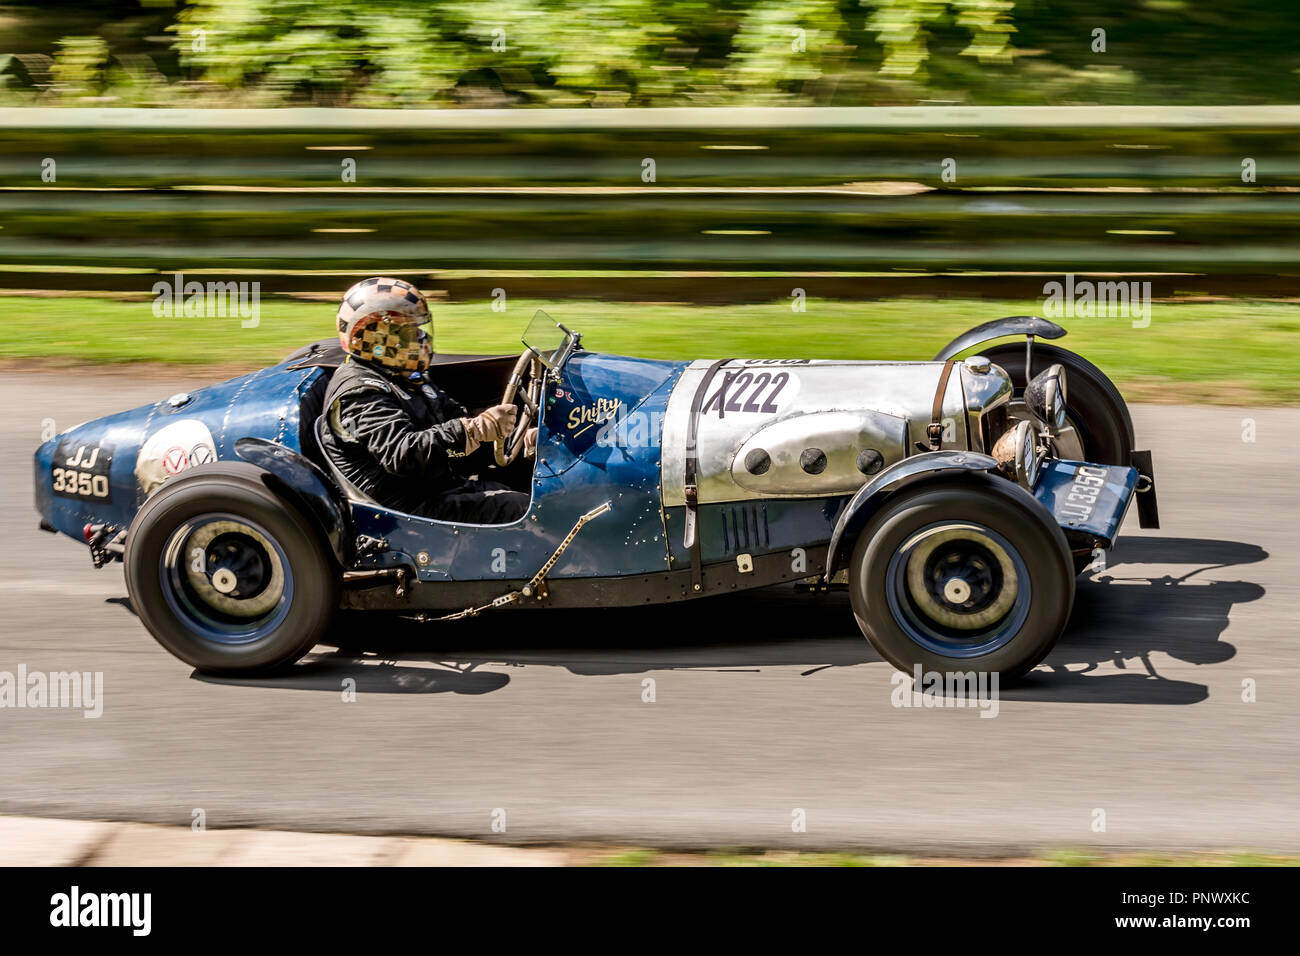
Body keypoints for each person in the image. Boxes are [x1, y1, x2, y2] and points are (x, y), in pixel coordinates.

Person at [320, 277, 534, 523]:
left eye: (420, 329)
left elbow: (453, 418)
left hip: (436, 484)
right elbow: (404, 455)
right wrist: (472, 430)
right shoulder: (359, 394)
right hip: (407, 510)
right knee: (526, 511)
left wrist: (519, 440)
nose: (421, 339)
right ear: (373, 339)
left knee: (538, 480)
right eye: (409, 332)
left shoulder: (404, 377)